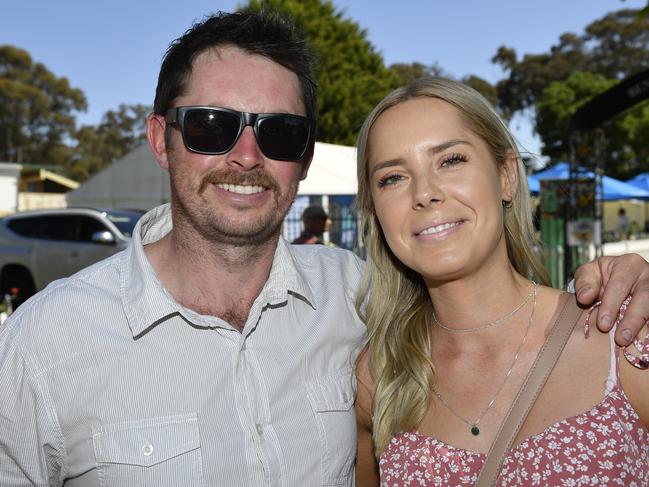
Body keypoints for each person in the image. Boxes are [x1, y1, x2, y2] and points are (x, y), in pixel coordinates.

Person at [0, 11, 647, 487]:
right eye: (211, 125)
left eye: (278, 132)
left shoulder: (352, 300)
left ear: (304, 159)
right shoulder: (44, 344)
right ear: (160, 138)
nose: (245, 155)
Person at [353, 77, 649, 485]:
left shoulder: (622, 336)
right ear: (375, 210)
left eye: (451, 160)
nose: (425, 193)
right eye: (392, 178)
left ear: (507, 176)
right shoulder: (378, 376)